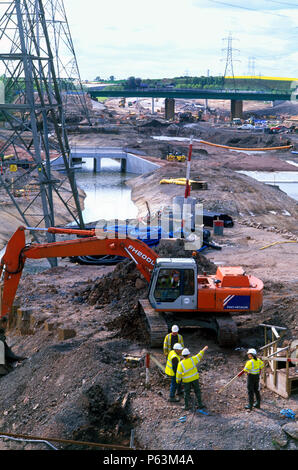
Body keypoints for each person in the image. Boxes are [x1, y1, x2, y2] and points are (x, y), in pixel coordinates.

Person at [176, 346, 208, 411]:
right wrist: (203, 349)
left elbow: (178, 373)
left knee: (186, 393)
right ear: (189, 354)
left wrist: (178, 381)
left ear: (182, 355)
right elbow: (199, 355)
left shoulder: (180, 364)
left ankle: (186, 406)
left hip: (186, 380)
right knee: (197, 391)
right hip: (195, 379)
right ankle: (200, 404)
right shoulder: (192, 359)